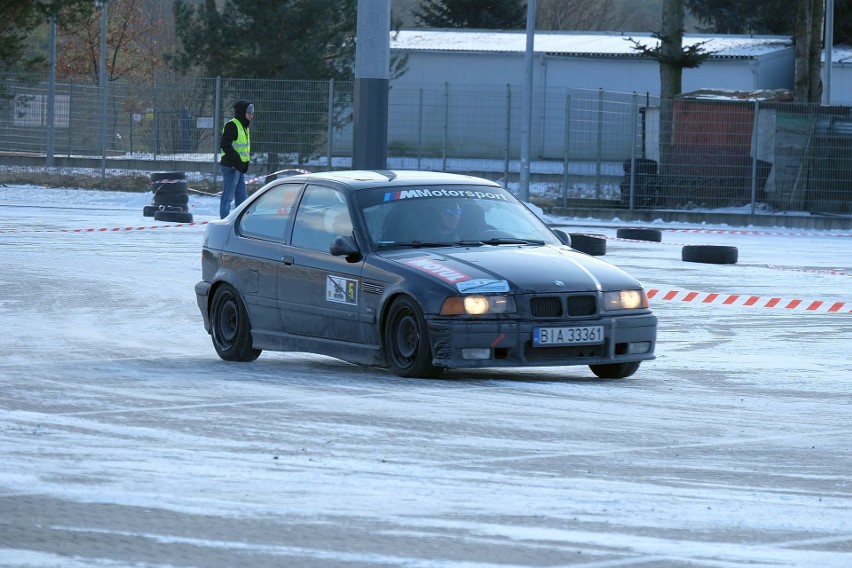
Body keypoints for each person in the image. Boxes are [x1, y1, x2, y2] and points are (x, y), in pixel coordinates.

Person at [219, 100, 254, 218]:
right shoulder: (232, 125)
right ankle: (224, 222)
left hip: (239, 168)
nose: (251, 116)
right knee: (228, 197)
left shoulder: (245, 127)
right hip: (231, 167)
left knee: (242, 199)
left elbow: (243, 148)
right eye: (249, 113)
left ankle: (239, 223)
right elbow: (225, 145)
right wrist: (237, 160)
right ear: (242, 112)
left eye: (252, 113)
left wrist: (245, 163)